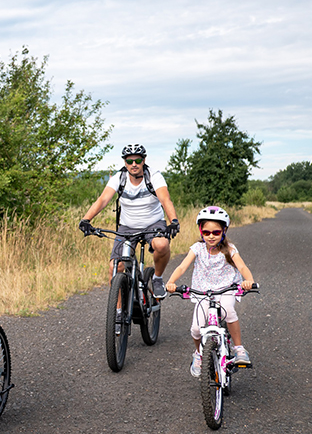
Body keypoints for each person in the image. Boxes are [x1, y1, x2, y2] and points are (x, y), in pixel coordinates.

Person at [78, 143, 180, 298]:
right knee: (115, 267)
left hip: (153, 224)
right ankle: (117, 313)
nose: (134, 164)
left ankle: (157, 278)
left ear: (143, 160)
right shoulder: (119, 177)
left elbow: (165, 200)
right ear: (124, 162)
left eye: (138, 160)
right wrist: (86, 219)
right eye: (129, 161)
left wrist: (173, 221)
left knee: (162, 244)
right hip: (127, 227)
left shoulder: (154, 176)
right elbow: (102, 200)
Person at [165, 206, 255, 377]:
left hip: (226, 290)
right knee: (196, 329)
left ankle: (238, 348)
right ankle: (199, 354)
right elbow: (182, 266)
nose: (211, 236)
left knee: (229, 311)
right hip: (203, 293)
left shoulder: (230, 249)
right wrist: (171, 282)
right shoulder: (197, 249)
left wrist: (248, 280)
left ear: (224, 231)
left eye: (216, 232)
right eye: (206, 232)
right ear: (201, 232)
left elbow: (242, 266)